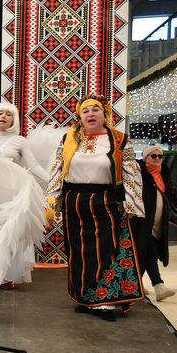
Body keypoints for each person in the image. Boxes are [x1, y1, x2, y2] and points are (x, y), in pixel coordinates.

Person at [47, 94, 145, 322]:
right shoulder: (69, 139)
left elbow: (131, 172)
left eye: (95, 110)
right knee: (79, 253)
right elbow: (57, 168)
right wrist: (52, 200)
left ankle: (104, 302)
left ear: (105, 113)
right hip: (75, 203)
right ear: (80, 116)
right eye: (85, 111)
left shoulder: (120, 140)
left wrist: (132, 203)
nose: (90, 114)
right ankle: (84, 298)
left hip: (106, 202)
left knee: (105, 252)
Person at [0, 101, 47, 290]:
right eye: (0, 113)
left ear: (14, 119)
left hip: (12, 191)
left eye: (8, 114)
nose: (3, 116)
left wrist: (55, 181)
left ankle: (7, 275)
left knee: (9, 232)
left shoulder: (20, 141)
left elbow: (34, 166)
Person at [135, 145, 177, 301]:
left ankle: (135, 285)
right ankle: (159, 286)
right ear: (146, 158)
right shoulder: (139, 173)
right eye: (153, 156)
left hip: (159, 222)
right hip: (141, 221)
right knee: (150, 250)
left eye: (160, 156)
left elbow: (173, 196)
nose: (157, 159)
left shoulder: (164, 173)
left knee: (146, 252)